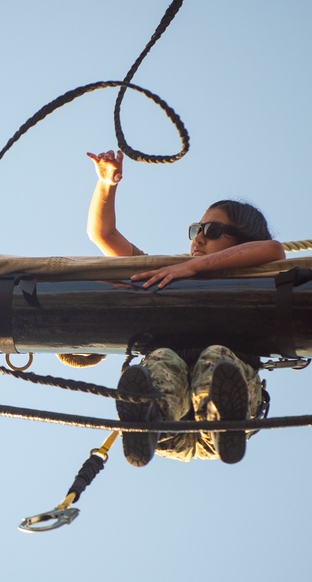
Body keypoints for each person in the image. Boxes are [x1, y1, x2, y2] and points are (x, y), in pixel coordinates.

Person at [86, 149, 286, 467]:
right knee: (165, 360)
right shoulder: (165, 275)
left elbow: (273, 249)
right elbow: (104, 234)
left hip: (221, 425)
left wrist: (192, 269)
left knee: (216, 358)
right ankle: (147, 419)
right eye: (197, 229)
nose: (199, 239)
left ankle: (218, 419)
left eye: (212, 231)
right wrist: (106, 185)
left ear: (243, 239)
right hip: (168, 428)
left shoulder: (250, 279)